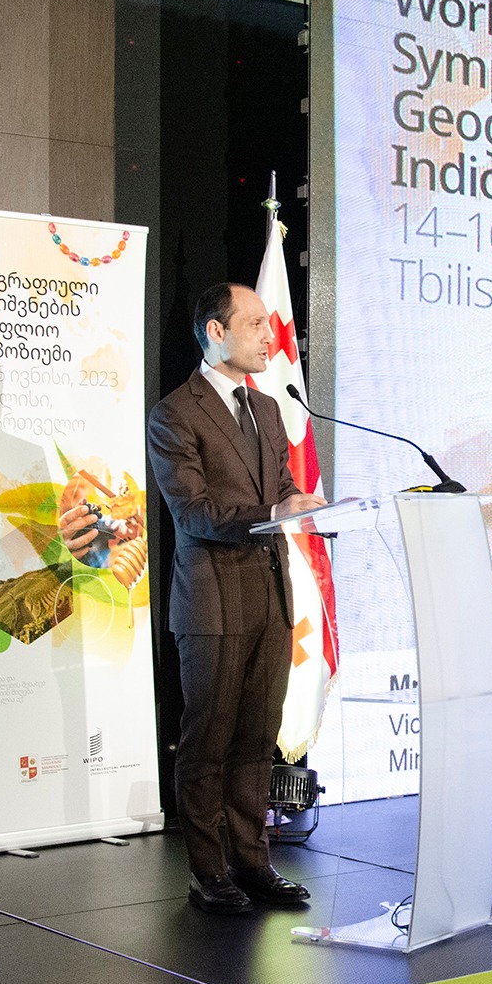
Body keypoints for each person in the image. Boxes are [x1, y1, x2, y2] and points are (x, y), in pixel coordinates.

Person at [146, 282, 326, 914]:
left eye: (269, 325)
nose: (270, 336)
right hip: (213, 600)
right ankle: (208, 871)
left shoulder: (269, 409)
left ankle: (253, 863)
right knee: (208, 741)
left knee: (256, 739)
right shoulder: (175, 413)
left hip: (270, 595)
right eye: (254, 324)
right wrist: (274, 512)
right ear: (215, 332)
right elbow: (192, 512)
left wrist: (303, 507)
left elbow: (280, 489)